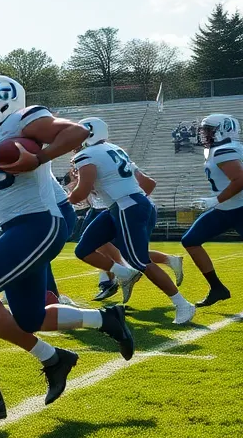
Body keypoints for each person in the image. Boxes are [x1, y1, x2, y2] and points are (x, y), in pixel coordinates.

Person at [0, 74, 134, 424]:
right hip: (16, 226)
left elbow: (75, 132)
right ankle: (103, 321)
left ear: (1, 103)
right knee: (30, 317)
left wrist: (39, 157)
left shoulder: (23, 119)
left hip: (42, 219)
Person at [68, 117, 195, 324]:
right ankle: (124, 274)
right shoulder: (114, 148)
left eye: (76, 135)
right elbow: (147, 184)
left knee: (140, 260)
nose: (72, 141)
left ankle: (182, 304)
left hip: (126, 206)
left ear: (88, 134)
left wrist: (63, 201)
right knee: (83, 249)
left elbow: (81, 192)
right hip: (124, 205)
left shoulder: (86, 154)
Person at [182, 114, 243, 307]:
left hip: (239, 208)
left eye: (208, 130)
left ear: (224, 130)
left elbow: (240, 180)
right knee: (190, 241)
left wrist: (213, 200)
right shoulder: (224, 149)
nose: (204, 134)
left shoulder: (224, 150)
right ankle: (217, 288)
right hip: (226, 209)